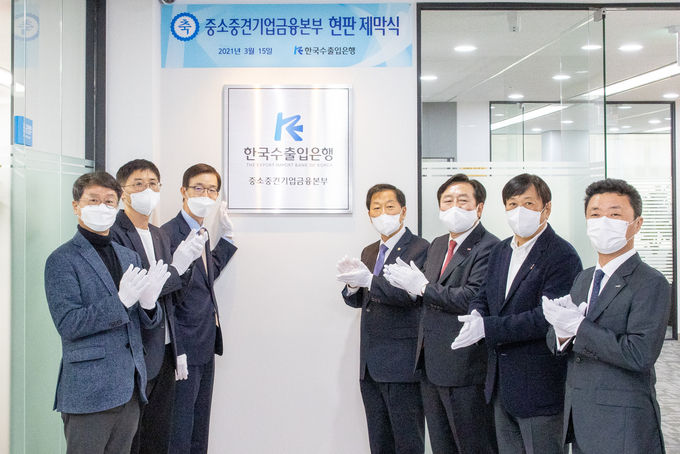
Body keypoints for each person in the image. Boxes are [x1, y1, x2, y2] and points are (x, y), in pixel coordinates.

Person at [451, 173, 582, 454]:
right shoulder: (501, 250)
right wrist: (476, 314)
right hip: (501, 386)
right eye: (512, 204)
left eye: (528, 203)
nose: (519, 211)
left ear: (546, 208)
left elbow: (545, 318)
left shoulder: (562, 255)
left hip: (539, 388)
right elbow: (484, 294)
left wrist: (488, 328)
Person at [44, 171, 169, 453]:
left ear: (117, 205)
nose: (102, 207)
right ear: (76, 206)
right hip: (90, 391)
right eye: (93, 200)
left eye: (109, 201)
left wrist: (149, 306)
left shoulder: (128, 256)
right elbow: (69, 323)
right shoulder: (62, 260)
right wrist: (120, 301)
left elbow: (138, 322)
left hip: (129, 388)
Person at [543, 178, 670, 454]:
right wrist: (561, 334)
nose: (603, 222)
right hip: (580, 416)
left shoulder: (651, 282)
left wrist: (579, 327)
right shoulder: (584, 277)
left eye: (614, 214)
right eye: (595, 214)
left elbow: (639, 354)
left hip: (622, 422)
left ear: (637, 224)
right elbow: (559, 343)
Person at [384, 174, 499, 454]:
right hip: (431, 366)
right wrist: (410, 287)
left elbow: (471, 297)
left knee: (472, 446)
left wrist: (423, 287)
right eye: (447, 201)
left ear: (479, 207)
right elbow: (426, 293)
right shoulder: (437, 244)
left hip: (465, 367)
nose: (454, 207)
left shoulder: (490, 246)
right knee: (441, 445)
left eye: (463, 201)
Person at [110, 159, 206, 454]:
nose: (147, 190)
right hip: (136, 353)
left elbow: (171, 295)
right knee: (133, 438)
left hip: (164, 350)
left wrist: (185, 269)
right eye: (138, 184)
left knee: (159, 435)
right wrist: (176, 268)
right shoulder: (115, 235)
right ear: (123, 192)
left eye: (153, 184)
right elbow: (140, 292)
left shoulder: (158, 234)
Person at [336, 183, 429, 454]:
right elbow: (362, 301)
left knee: (407, 443)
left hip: (402, 364)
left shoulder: (420, 248)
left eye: (390, 207)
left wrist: (370, 281)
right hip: (370, 364)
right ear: (369, 215)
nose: (383, 213)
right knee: (379, 443)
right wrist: (352, 286)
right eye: (376, 208)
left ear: (403, 211)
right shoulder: (369, 251)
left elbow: (411, 296)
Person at [162, 163, 237, 454]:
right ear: (183, 191)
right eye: (198, 188)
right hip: (182, 347)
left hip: (205, 343)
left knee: (199, 428)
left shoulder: (200, 231)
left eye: (212, 190)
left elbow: (205, 277)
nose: (205, 195)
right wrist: (177, 349)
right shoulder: (167, 234)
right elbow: (167, 294)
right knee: (180, 429)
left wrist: (226, 240)